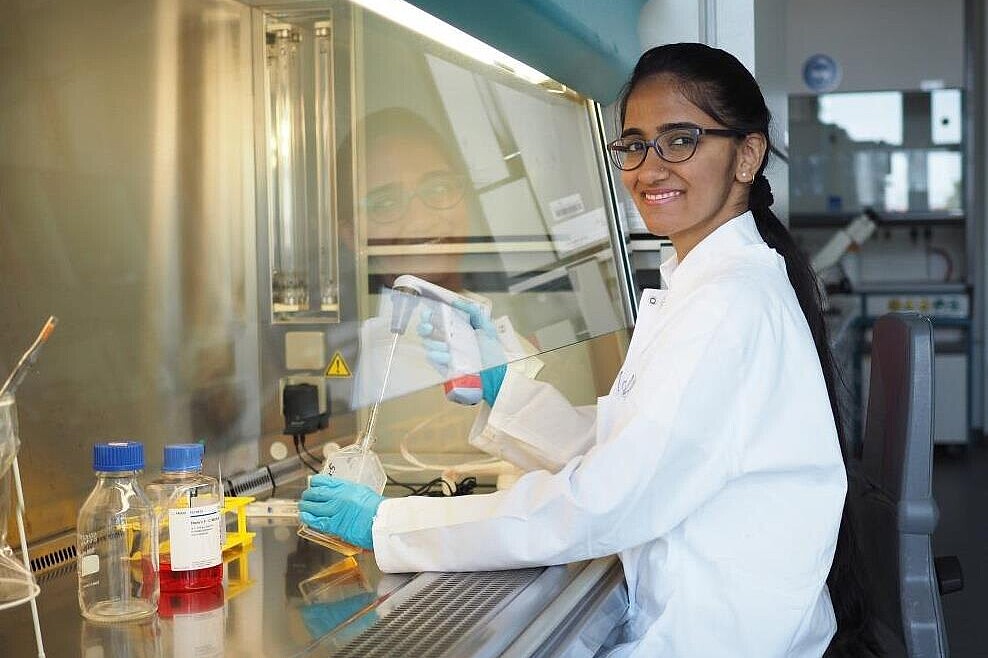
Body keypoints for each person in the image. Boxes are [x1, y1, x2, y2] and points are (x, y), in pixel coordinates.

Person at [299, 43, 877, 656]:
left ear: (747, 154)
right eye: (633, 145)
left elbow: (600, 504)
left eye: (680, 140)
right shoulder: (701, 282)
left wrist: (389, 524)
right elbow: (625, 451)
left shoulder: (726, 304)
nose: (649, 169)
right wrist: (506, 394)